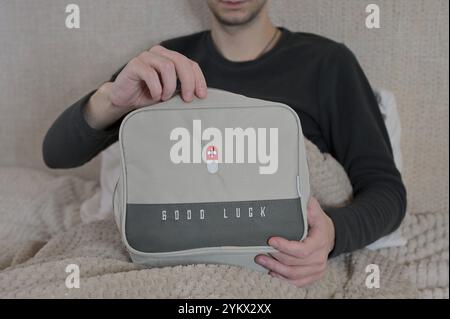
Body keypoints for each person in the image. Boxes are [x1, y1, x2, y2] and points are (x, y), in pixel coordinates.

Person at [43, 0, 407, 287]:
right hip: (167, 263)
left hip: (277, 266)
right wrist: (111, 99)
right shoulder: (164, 63)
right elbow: (56, 154)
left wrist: (333, 234)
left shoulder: (328, 63)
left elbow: (387, 190)